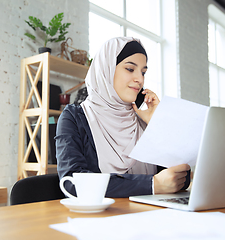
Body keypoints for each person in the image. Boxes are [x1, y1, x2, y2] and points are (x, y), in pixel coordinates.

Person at [56, 37, 190, 198]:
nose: (139, 79)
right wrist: (153, 184)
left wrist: (158, 124)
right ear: (107, 70)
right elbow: (72, 182)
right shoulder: (74, 117)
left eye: (143, 72)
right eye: (130, 69)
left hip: (153, 216)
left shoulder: (143, 118)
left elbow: (181, 177)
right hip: (103, 219)